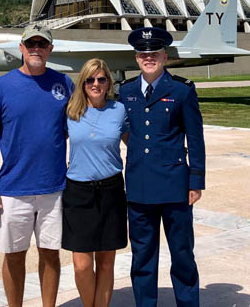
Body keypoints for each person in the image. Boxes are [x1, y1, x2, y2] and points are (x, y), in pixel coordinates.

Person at [0, 23, 74, 307]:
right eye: (30, 44)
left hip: (53, 187)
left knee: (50, 254)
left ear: (50, 50)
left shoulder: (64, 84)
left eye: (41, 44)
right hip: (13, 188)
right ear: (21, 48)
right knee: (14, 255)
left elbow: (80, 125)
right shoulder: (1, 87)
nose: (36, 49)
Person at [119, 27, 206, 307]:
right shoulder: (127, 91)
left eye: (154, 53)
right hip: (139, 187)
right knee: (143, 257)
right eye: (144, 54)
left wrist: (196, 181)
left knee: (182, 254)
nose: (149, 58)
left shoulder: (181, 90)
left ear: (164, 57)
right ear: (136, 58)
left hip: (174, 187)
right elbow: (124, 131)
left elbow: (194, 138)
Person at [62, 58, 128, 307]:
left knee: (106, 261)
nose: (96, 84)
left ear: (109, 82)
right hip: (78, 192)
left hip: (111, 190)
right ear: (82, 83)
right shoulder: (70, 111)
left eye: (101, 79)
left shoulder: (119, 110)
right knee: (81, 264)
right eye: (90, 79)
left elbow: (135, 143)